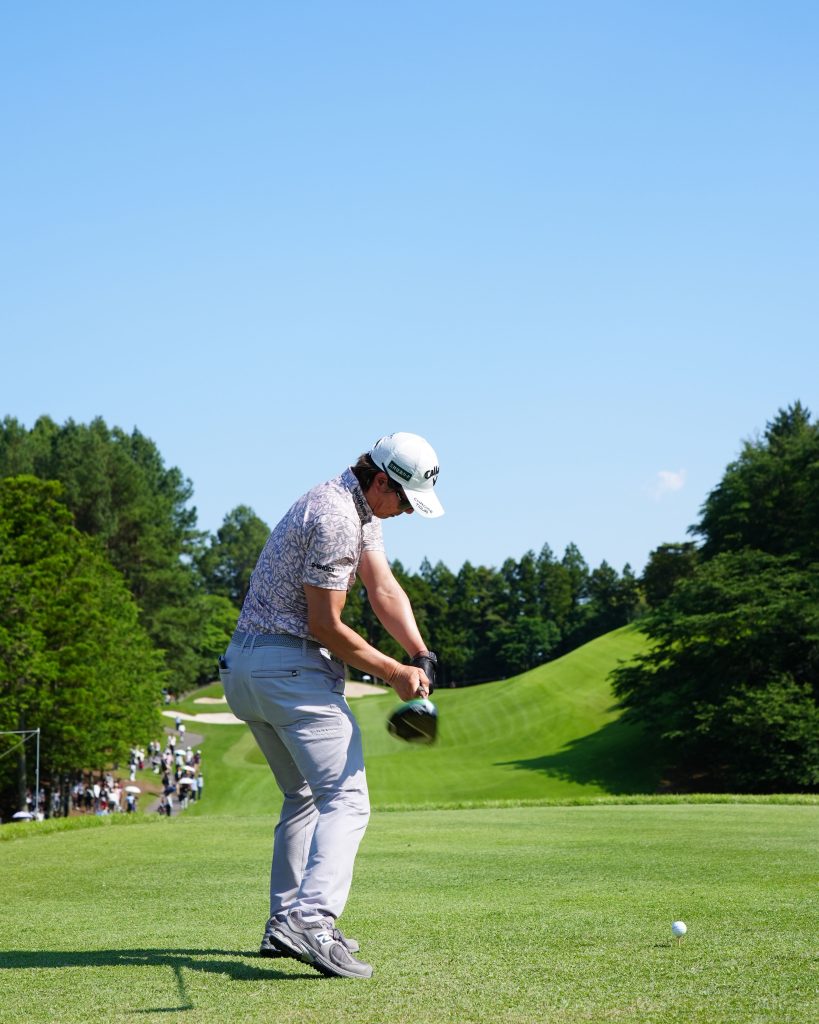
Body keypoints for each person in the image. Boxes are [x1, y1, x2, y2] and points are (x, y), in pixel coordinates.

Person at [219, 432, 444, 980]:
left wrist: (419, 652)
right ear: (381, 481)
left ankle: (284, 923)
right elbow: (325, 625)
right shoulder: (338, 517)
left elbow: (382, 587)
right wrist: (394, 672)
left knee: (302, 796)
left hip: (246, 669)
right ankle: (312, 921)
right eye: (406, 501)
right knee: (347, 798)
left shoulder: (355, 505)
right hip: (288, 670)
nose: (407, 513)